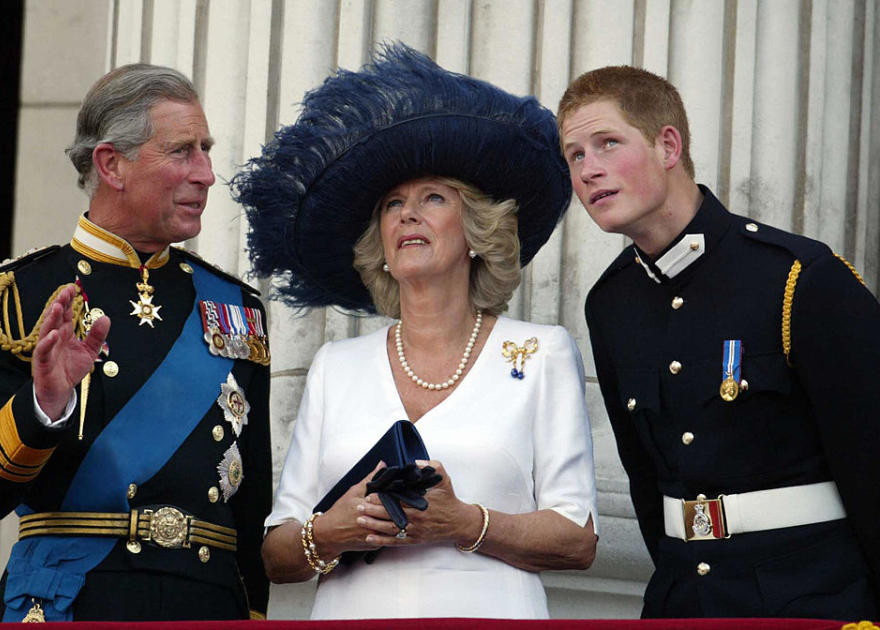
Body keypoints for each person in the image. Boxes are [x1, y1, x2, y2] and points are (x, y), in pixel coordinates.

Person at [232, 43, 598, 620]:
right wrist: (331, 532)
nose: (407, 214)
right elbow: (278, 553)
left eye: (433, 197)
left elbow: (577, 539)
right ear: (378, 248)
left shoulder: (540, 352)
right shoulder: (337, 365)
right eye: (392, 205)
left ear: (477, 229)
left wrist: (465, 524)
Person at [0, 64, 271, 622]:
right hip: (72, 600)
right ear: (111, 164)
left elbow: (252, 502)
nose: (207, 174)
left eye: (205, 150)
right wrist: (43, 405)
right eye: (183, 152)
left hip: (206, 604)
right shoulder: (16, 295)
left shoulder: (237, 307)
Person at [557, 65, 880, 619]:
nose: (589, 170)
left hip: (811, 602)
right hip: (684, 601)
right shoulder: (611, 303)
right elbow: (645, 479)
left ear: (668, 145)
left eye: (607, 143)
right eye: (575, 155)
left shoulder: (798, 277)